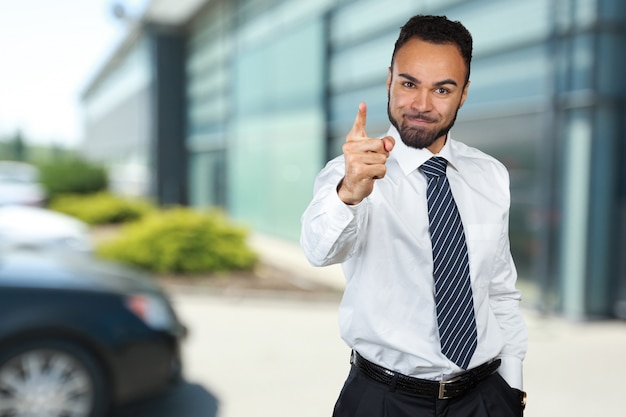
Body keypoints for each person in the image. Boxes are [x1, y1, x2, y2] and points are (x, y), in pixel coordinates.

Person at [300, 14, 528, 417]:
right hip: (383, 401)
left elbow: (499, 288)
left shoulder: (489, 174)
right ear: (389, 79)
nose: (421, 105)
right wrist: (350, 194)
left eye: (442, 89)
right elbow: (319, 251)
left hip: (484, 398)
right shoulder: (352, 173)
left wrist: (512, 386)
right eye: (409, 84)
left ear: (464, 93)